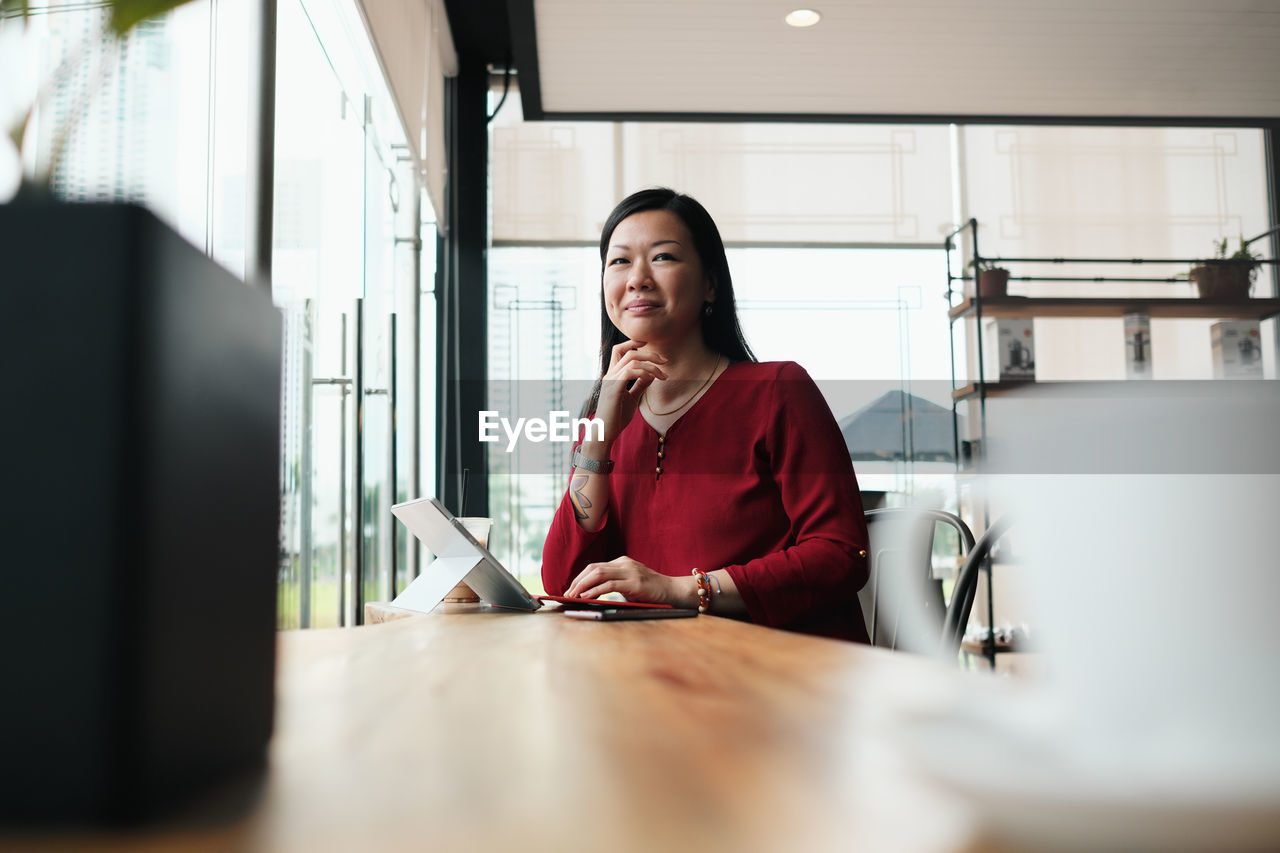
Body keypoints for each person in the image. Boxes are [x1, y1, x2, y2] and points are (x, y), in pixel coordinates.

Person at [540, 188, 870, 642]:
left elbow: (840, 555)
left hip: (784, 675)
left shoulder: (779, 391)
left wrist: (680, 590)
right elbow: (563, 583)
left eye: (663, 257)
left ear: (710, 283)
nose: (637, 279)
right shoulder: (605, 416)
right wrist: (597, 439)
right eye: (619, 262)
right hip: (661, 673)